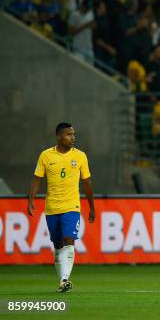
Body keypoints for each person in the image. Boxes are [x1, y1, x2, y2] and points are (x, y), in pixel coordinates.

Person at [27, 122, 95, 293]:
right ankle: (62, 279)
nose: (73, 137)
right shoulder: (46, 156)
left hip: (72, 206)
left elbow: (87, 183)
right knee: (57, 245)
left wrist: (92, 206)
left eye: (73, 134)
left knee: (69, 240)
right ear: (59, 136)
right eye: (68, 134)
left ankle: (65, 280)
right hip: (52, 208)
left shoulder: (80, 156)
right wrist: (31, 200)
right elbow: (37, 179)